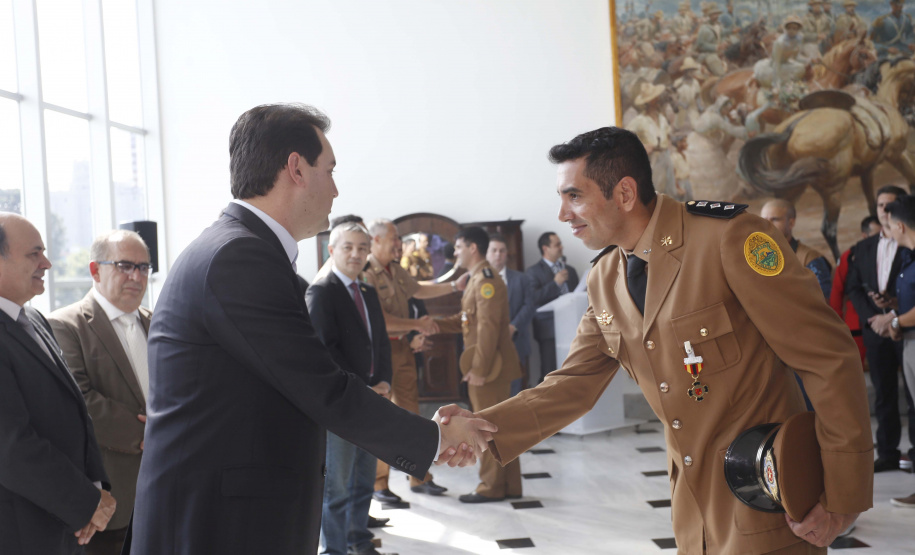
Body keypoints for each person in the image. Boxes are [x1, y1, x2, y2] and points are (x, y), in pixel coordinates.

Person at [442, 126, 873, 553]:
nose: (562, 214)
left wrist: (842, 498)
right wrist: (478, 428)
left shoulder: (728, 238)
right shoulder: (605, 277)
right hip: (691, 510)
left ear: (625, 193)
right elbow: (573, 384)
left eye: (574, 196)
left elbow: (828, 357)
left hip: (769, 497)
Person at [128, 104, 490, 555]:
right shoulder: (239, 257)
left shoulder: (242, 249)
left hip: (229, 512)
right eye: (330, 170)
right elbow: (319, 384)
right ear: (296, 168)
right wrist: (433, 438)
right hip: (215, 524)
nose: (336, 189)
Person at [0, 212, 116, 554]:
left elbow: (76, 412)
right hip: (20, 529)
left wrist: (95, 488)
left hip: (65, 524)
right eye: (34, 254)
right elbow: (11, 446)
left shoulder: (34, 319)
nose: (47, 264)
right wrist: (85, 501)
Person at [47, 230, 152, 555]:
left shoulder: (158, 321)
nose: (136, 276)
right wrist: (152, 432)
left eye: (144, 267)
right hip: (110, 499)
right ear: (95, 270)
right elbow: (80, 401)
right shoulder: (64, 324)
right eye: (124, 265)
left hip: (163, 491)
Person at [306, 223, 395, 555]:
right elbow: (324, 352)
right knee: (338, 487)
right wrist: (364, 388)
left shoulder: (368, 291)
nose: (356, 254)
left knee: (362, 480)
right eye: (348, 247)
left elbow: (380, 343)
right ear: (332, 250)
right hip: (343, 404)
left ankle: (359, 540)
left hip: (373, 401)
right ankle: (335, 549)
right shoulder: (321, 292)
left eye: (362, 247)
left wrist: (385, 381)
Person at [363, 218, 463, 505]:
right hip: (379, 353)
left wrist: (454, 285)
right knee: (381, 419)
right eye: (394, 238)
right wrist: (417, 324)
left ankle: (419, 477)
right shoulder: (366, 272)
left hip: (402, 348)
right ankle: (379, 484)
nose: (399, 244)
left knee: (411, 416)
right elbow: (380, 320)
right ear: (376, 240)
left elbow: (418, 289)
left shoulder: (394, 269)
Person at [436, 227, 522, 503]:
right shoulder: (476, 278)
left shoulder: (486, 279)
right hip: (488, 366)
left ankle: (490, 487)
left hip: (490, 369)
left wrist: (480, 370)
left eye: (458, 246)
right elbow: (468, 320)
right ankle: (508, 485)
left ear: (472, 248)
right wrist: (434, 325)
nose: (455, 252)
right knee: (499, 427)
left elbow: (488, 328)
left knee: (487, 428)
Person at [846, 184, 915, 473]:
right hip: (877, 330)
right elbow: (853, 287)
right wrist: (875, 318)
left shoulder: (908, 245)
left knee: (912, 396)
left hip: (906, 329)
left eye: (890, 204)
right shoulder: (863, 247)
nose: (884, 210)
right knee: (884, 394)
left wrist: (894, 316)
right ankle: (887, 452)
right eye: (880, 205)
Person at [874, 195, 915, 509]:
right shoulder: (909, 258)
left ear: (900, 226)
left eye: (889, 225)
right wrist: (895, 308)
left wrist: (896, 320)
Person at [526, 231, 579, 385]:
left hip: (573, 327)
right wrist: (555, 284)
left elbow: (577, 294)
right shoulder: (533, 272)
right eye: (557, 245)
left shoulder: (570, 270)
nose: (561, 247)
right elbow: (533, 298)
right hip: (548, 329)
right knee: (550, 371)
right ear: (545, 248)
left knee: (573, 368)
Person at [486, 233, 536, 395]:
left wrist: (513, 326)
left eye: (502, 251)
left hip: (515, 342)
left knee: (514, 388)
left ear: (507, 254)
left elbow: (529, 306)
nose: (498, 254)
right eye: (494, 250)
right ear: (486, 253)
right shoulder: (477, 279)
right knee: (490, 390)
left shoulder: (521, 279)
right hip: (487, 343)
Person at [830, 216, 882, 365]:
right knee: (855, 368)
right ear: (864, 235)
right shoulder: (850, 256)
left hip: (885, 321)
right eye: (876, 235)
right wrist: (837, 324)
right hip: (856, 323)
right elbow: (837, 291)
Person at [760, 198, 832, 299]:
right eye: (764, 220)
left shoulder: (810, 258)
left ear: (791, 223)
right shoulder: (756, 256)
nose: (768, 224)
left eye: (775, 219)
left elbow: (822, 300)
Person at [695, 3, 726, 76]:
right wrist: (716, 47)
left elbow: (722, 36)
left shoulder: (719, 25)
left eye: (717, 14)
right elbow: (700, 44)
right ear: (710, 15)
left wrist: (724, 42)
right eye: (714, 14)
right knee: (716, 65)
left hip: (721, 51)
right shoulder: (704, 28)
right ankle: (722, 77)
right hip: (708, 53)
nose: (716, 16)